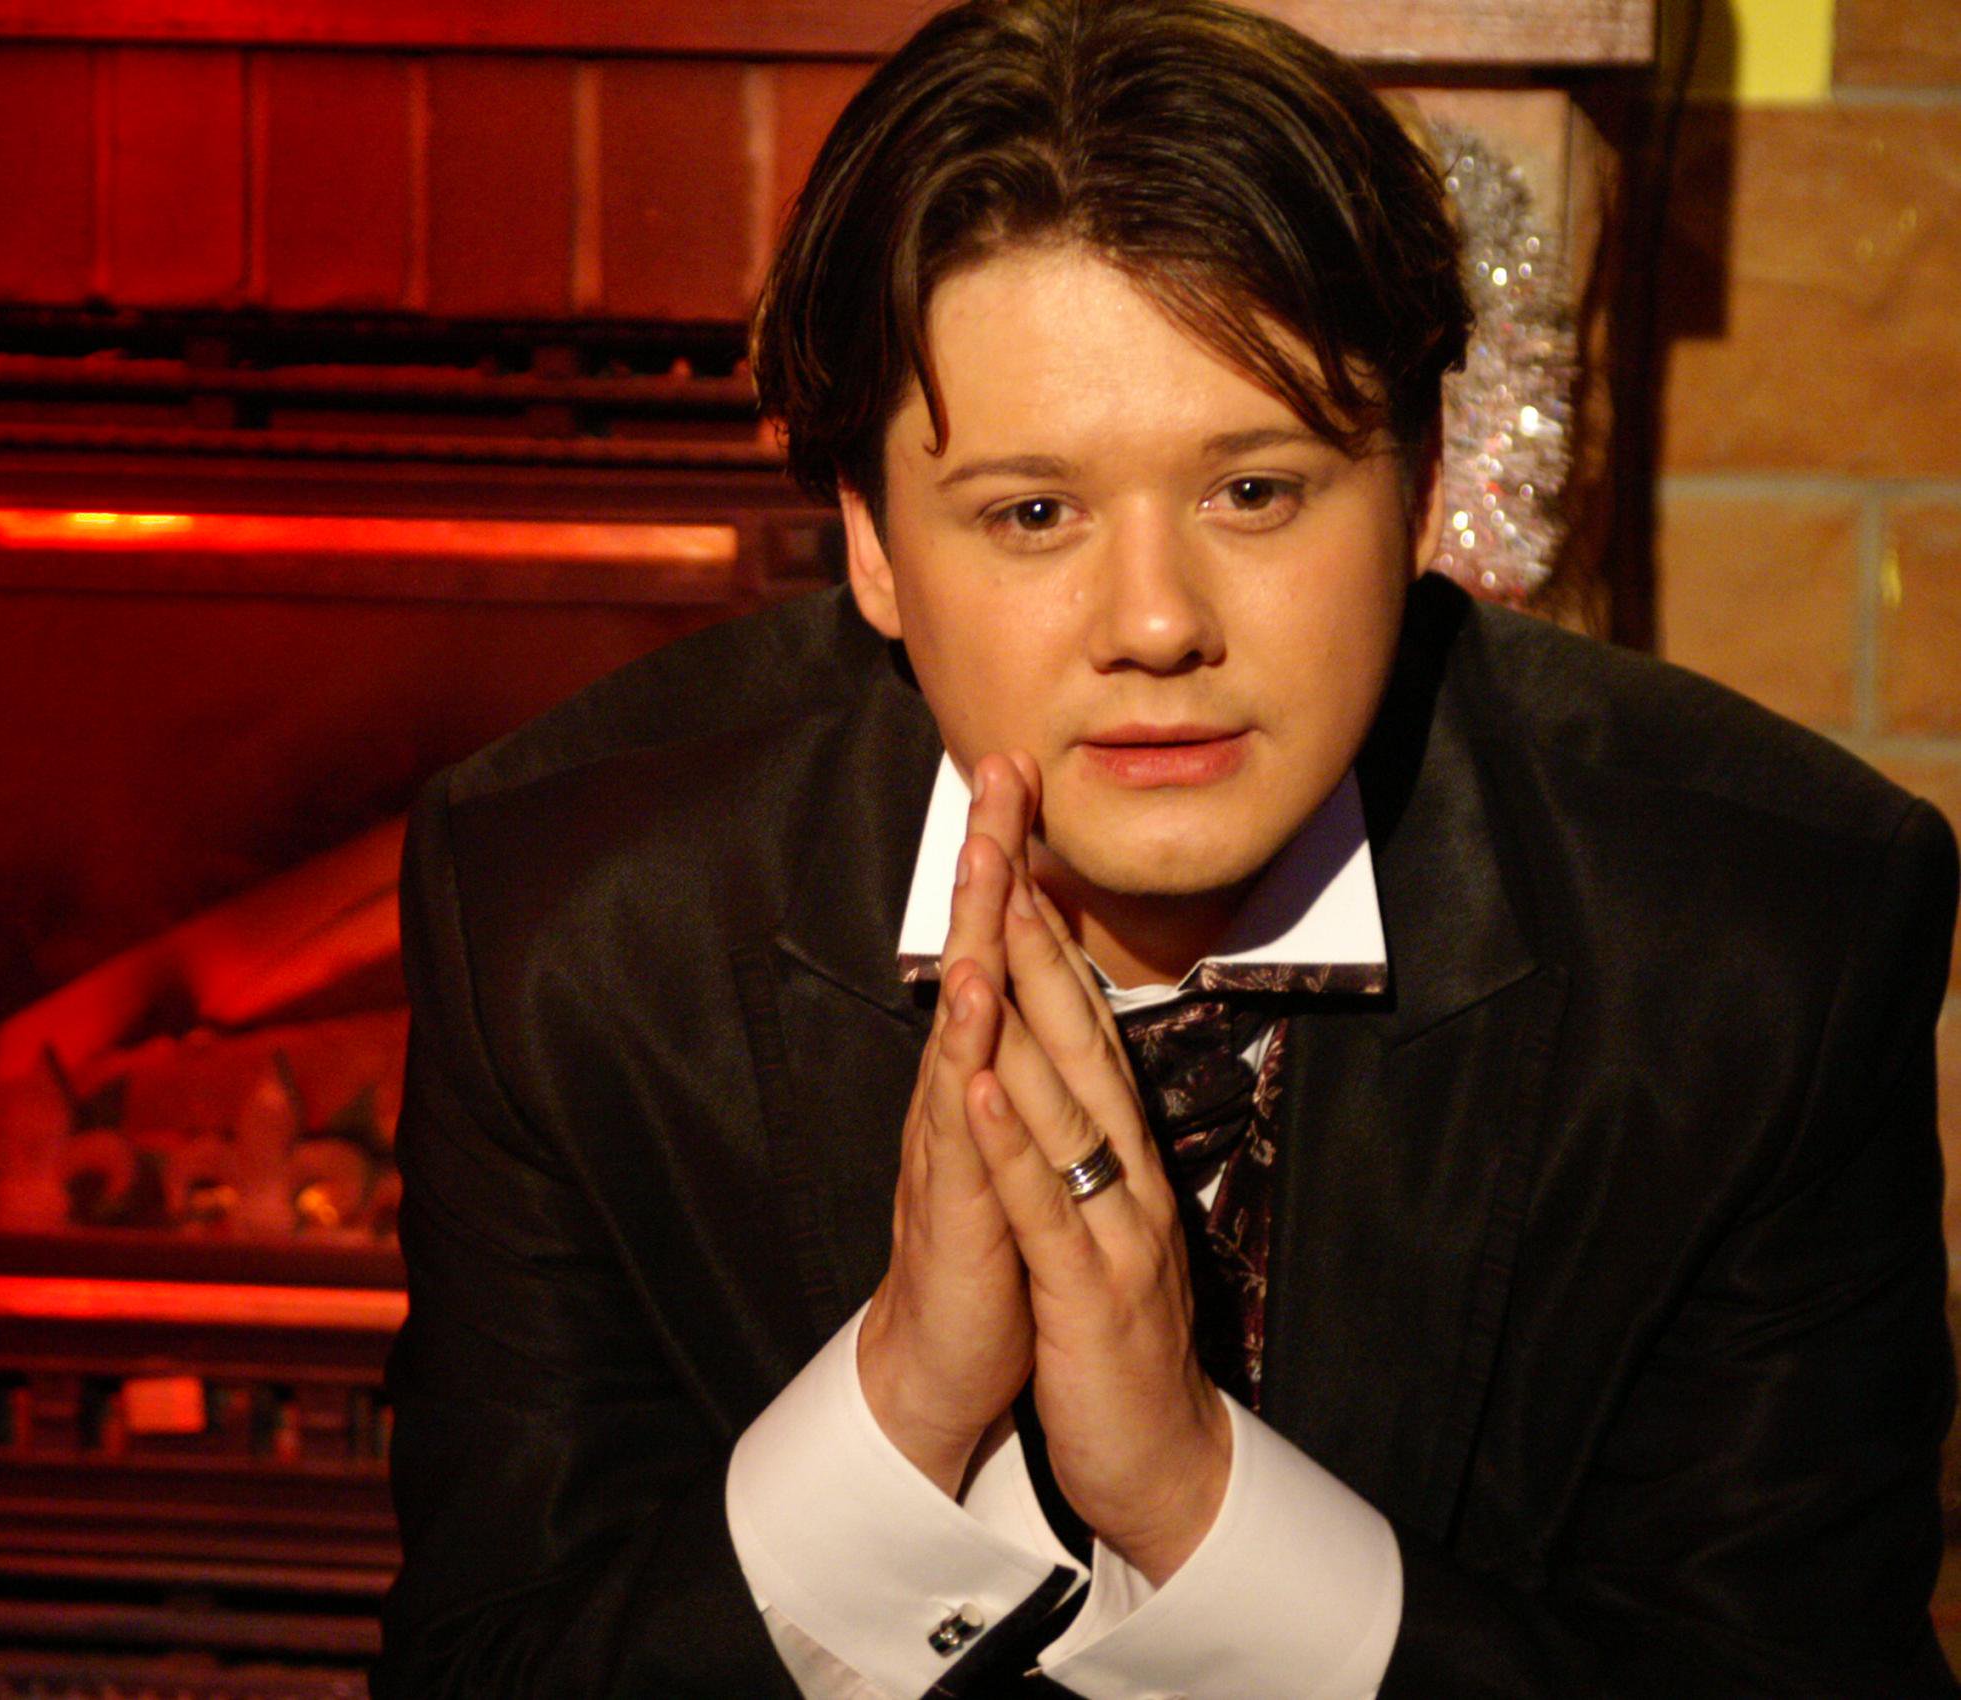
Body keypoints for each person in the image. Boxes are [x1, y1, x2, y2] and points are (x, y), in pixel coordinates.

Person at [371, 0, 1961, 1693]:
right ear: (872, 547)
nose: (1152, 624)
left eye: (1252, 492)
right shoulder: (569, 923)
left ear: (1420, 490)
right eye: (1031, 512)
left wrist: (1198, 1504)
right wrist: (896, 1414)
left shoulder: (1758, 948)